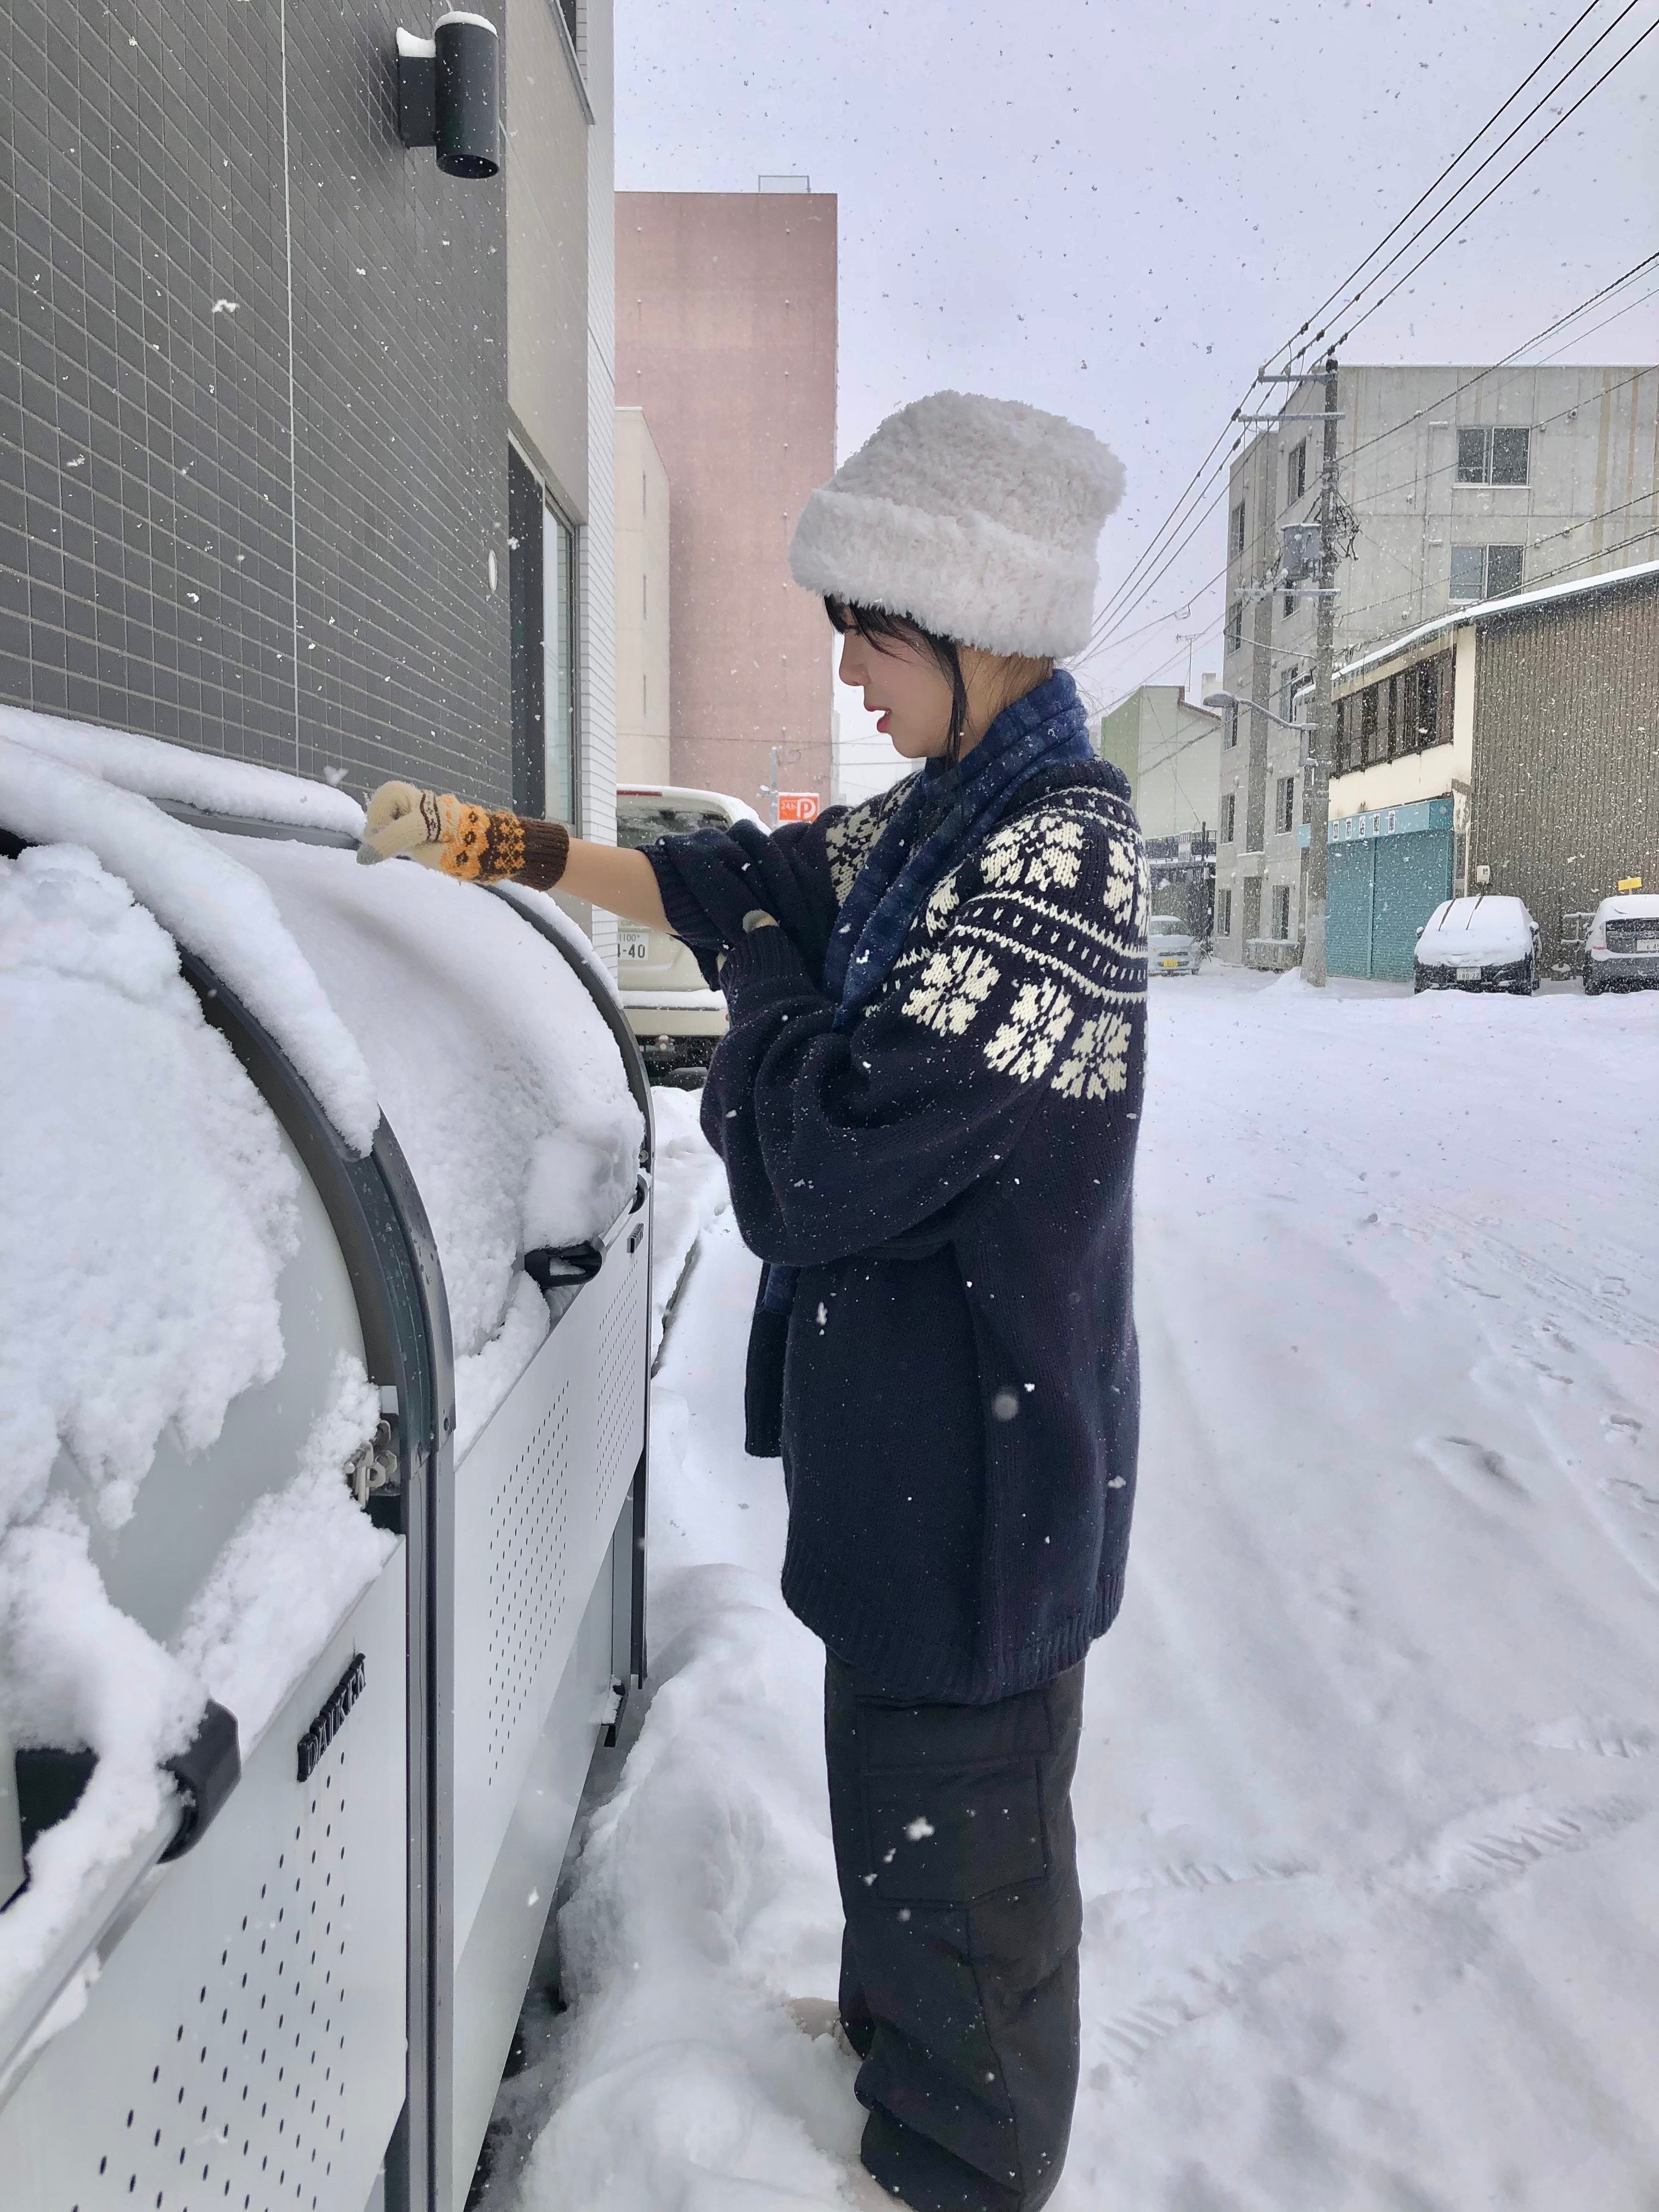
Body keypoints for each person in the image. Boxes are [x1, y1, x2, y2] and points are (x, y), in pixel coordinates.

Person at [362, 390, 1147, 2212]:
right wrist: (504, 850)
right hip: (920, 1478)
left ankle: (958, 2165)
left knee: (975, 1888)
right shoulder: (944, 817)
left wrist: (778, 982)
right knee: (907, 1833)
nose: (852, 679)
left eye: (869, 636)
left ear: (974, 621)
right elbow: (738, 884)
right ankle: (896, 2059)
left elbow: (813, 1163)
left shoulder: (1056, 856)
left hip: (983, 1498)